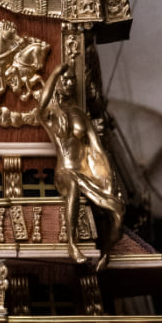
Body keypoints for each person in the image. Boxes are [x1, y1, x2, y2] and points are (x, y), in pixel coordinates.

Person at [36, 61, 126, 264]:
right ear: (57, 83)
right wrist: (55, 72)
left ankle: (106, 252)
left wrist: (108, 178)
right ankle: (72, 244)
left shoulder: (80, 115)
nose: (69, 83)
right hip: (65, 171)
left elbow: (96, 147)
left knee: (118, 210)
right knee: (73, 187)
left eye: (72, 80)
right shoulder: (51, 115)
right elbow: (41, 103)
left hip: (85, 171)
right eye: (65, 80)